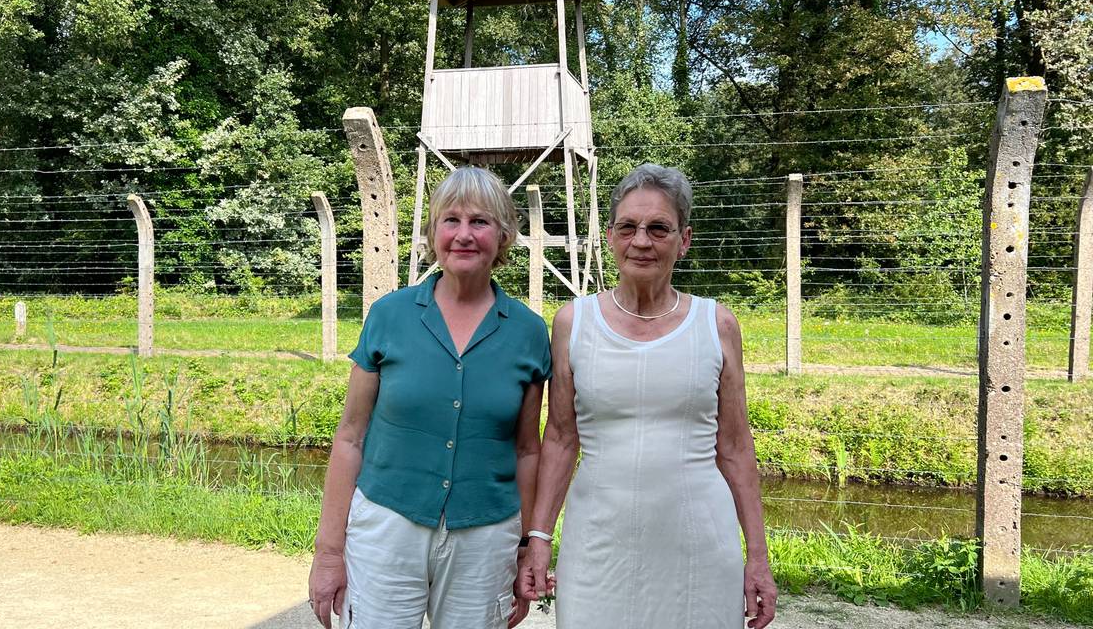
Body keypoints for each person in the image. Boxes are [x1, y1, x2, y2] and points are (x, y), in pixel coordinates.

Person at [518, 163, 777, 628]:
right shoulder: (572, 324)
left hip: (700, 545)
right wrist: (538, 537)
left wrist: (757, 557)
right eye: (628, 227)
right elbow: (559, 438)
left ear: (685, 240)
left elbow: (736, 449)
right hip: (599, 547)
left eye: (659, 228)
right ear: (611, 237)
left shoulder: (716, 326)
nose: (642, 241)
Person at [308, 166, 551, 629]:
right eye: (450, 220)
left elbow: (527, 449)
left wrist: (523, 548)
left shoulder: (528, 331)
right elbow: (350, 438)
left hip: (484, 536)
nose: (463, 235)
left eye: (479, 222)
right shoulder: (389, 316)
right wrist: (329, 552)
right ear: (432, 232)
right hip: (387, 528)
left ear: (503, 236)